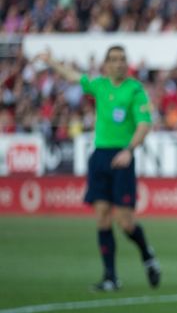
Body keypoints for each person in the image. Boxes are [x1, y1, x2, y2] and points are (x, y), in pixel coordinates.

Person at [39, 47, 161, 291]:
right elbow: (74, 77)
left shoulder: (134, 90)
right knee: (102, 217)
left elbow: (145, 124)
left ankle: (147, 254)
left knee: (125, 222)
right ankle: (110, 277)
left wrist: (129, 150)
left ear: (127, 63)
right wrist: (50, 60)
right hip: (100, 156)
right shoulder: (100, 85)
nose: (118, 63)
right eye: (113, 60)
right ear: (106, 64)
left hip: (122, 156)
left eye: (122, 59)